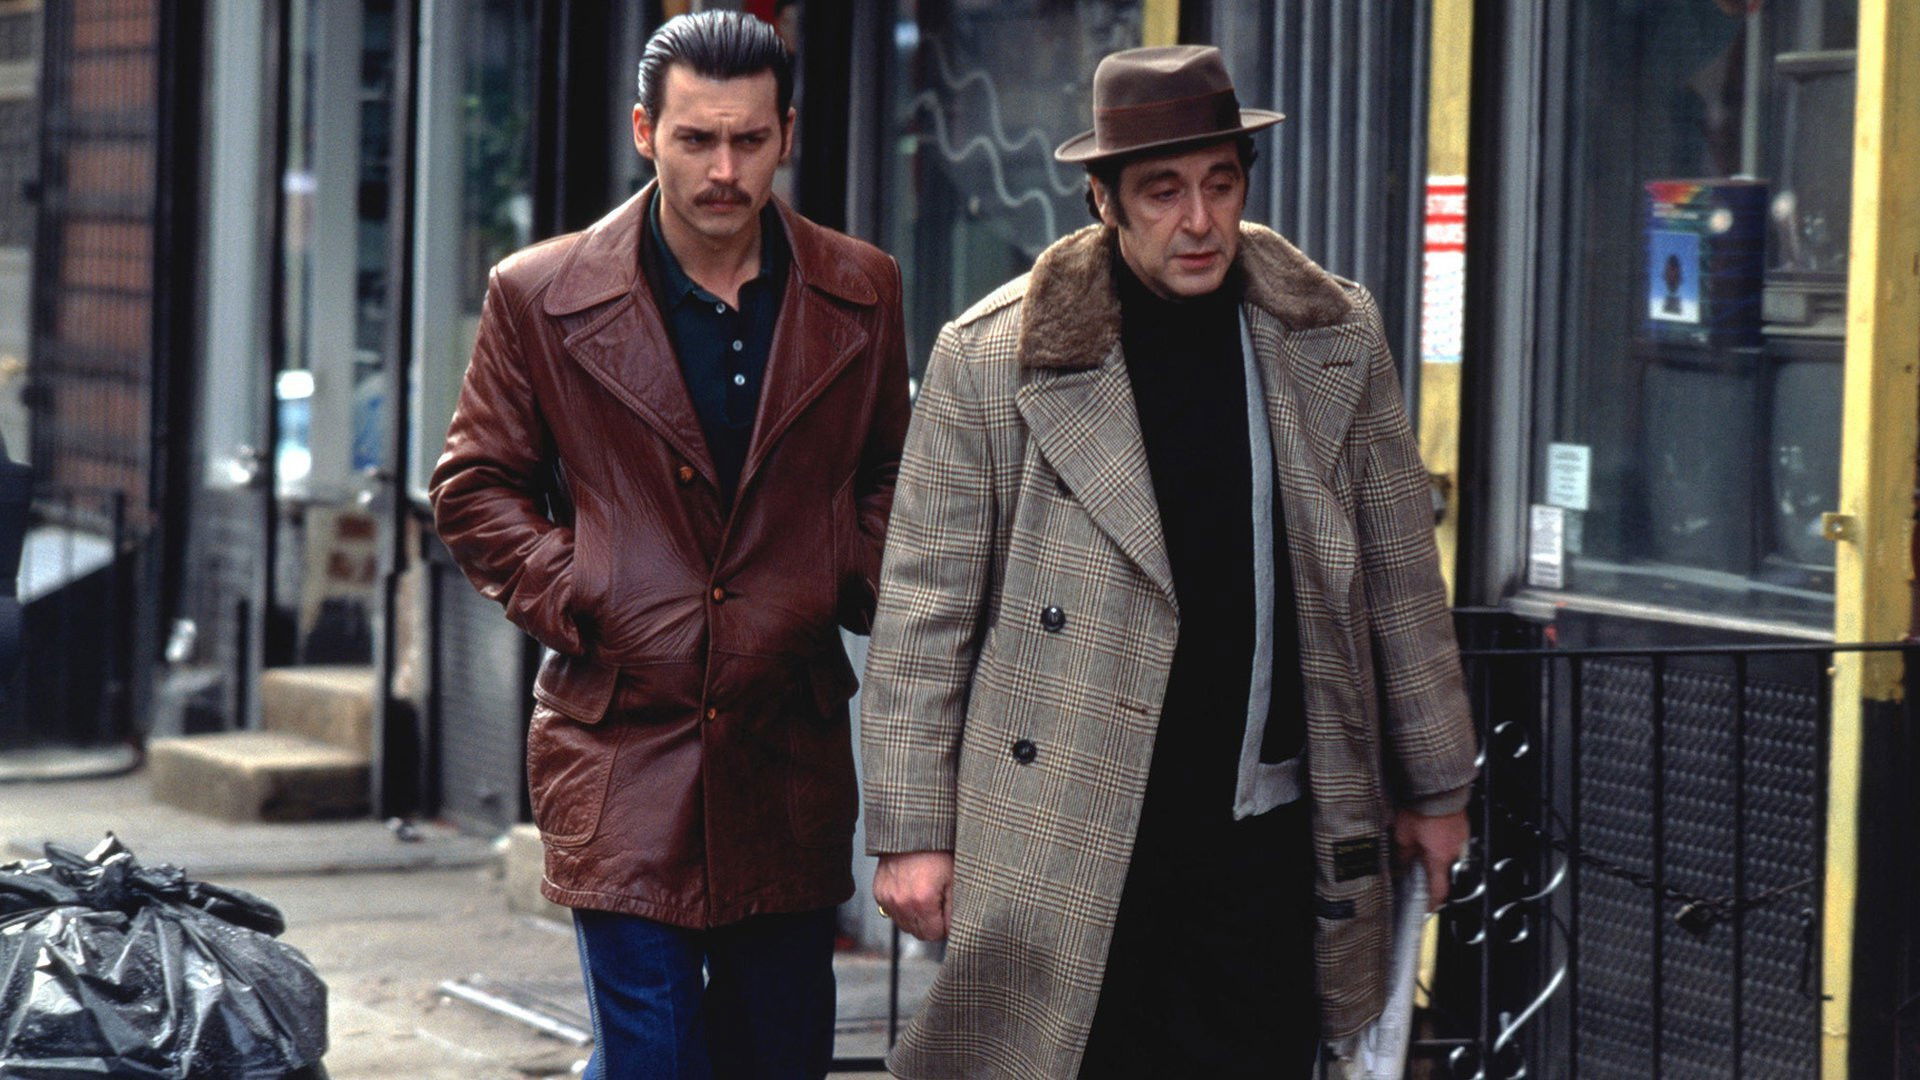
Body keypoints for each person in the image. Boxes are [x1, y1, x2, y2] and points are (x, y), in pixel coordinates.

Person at [859, 45, 1477, 1078]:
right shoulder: (995, 355)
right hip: (1071, 832)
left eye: (1220, 185)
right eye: (1163, 192)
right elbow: (927, 606)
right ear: (1105, 201)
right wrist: (912, 828)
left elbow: (1402, 579)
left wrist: (1439, 786)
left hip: (1265, 831)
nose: (1199, 221)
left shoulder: (1329, 336)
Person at [429, 12, 909, 1078]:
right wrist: (588, 587)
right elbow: (474, 487)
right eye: (696, 139)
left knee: (779, 1056)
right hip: (624, 745)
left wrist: (842, 567)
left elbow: (892, 470)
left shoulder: (862, 286)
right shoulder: (539, 292)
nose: (724, 170)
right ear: (645, 131)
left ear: (788, 134)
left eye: (748, 139)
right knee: (652, 1059)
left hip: (784, 743)